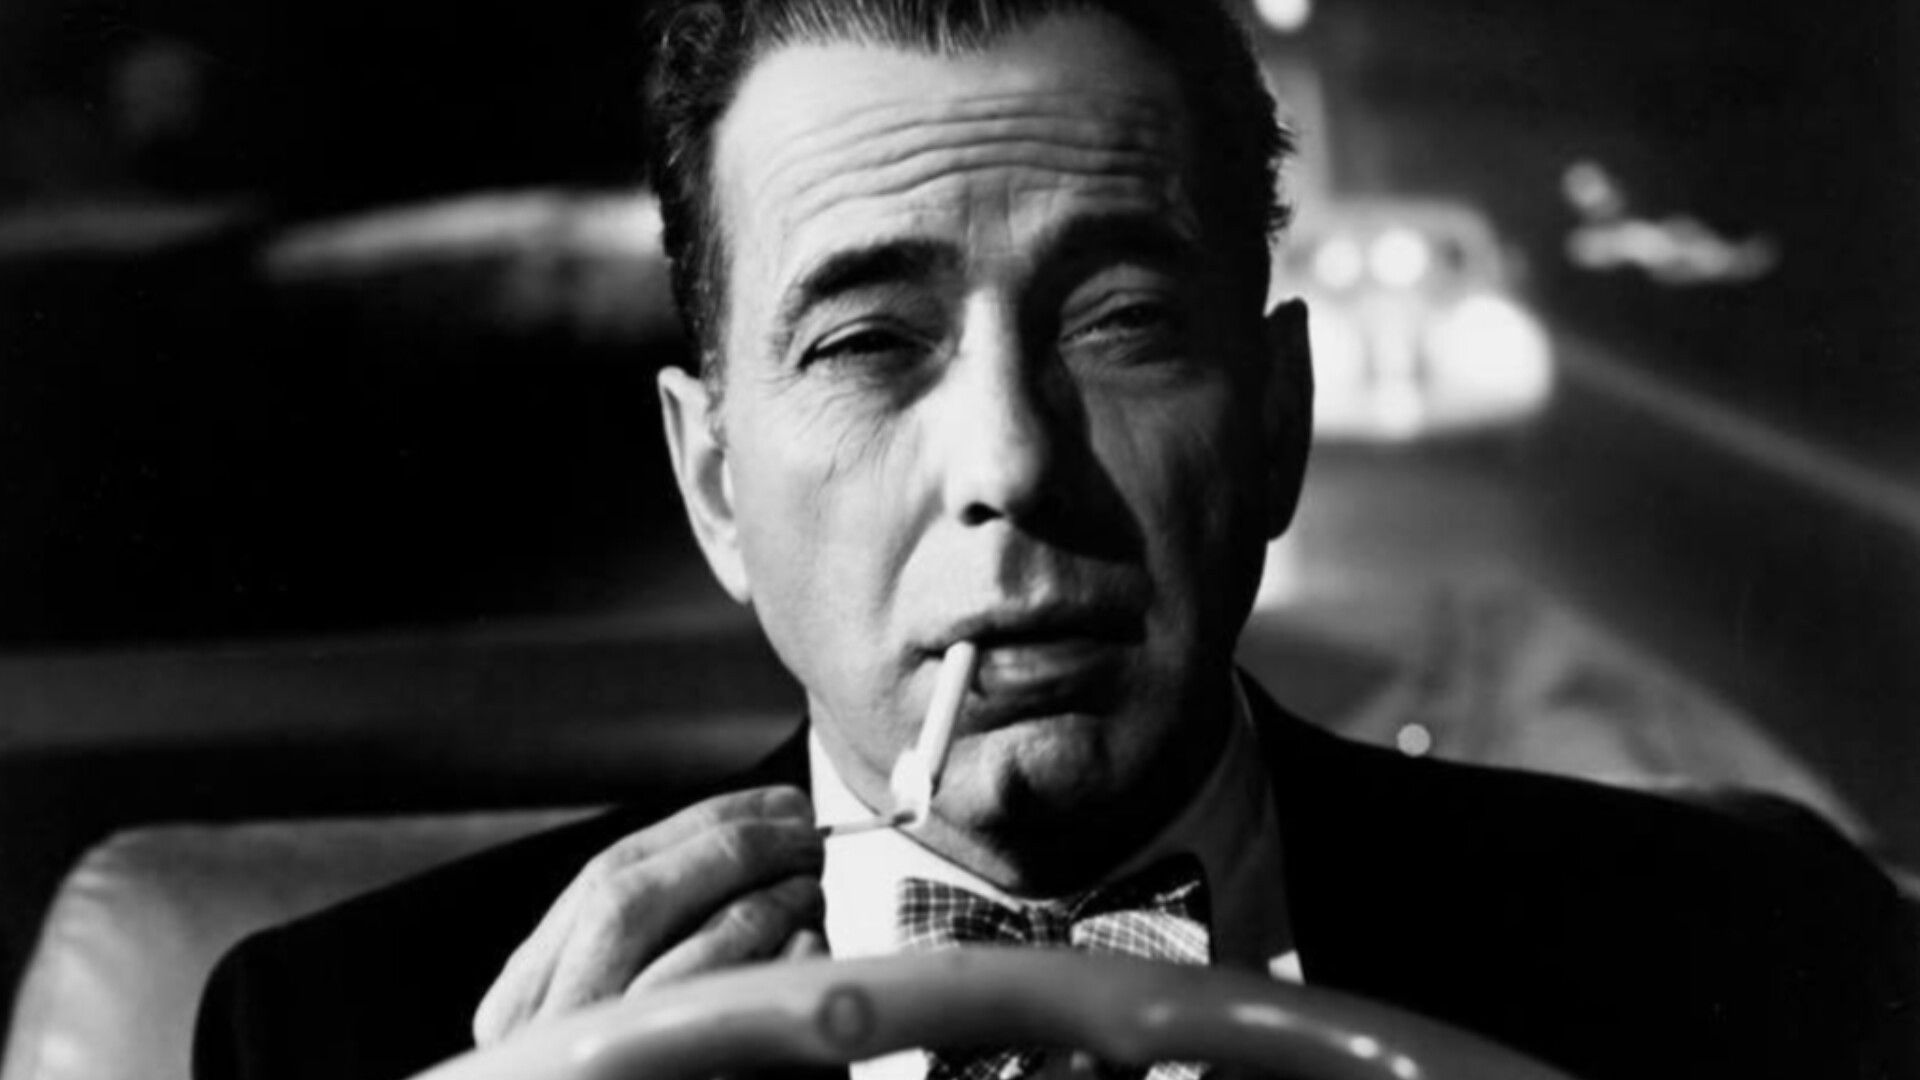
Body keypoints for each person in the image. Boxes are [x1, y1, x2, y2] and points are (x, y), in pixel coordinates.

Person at [193, 2, 1919, 1079]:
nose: (1012, 464)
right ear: (714, 484)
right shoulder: (342, 1036)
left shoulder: (1747, 963)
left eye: (1124, 323)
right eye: (869, 343)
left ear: (1276, 424)